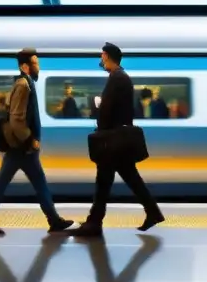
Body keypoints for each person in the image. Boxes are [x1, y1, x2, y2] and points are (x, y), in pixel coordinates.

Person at [68, 43, 164, 237]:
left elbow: (108, 109)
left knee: (106, 182)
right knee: (123, 179)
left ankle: (94, 223)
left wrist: (98, 110)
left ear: (106, 56)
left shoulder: (117, 78)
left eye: (102, 56)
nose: (101, 60)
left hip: (113, 140)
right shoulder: (121, 77)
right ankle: (151, 213)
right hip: (117, 139)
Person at [0, 48, 73, 235]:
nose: (39, 67)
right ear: (25, 66)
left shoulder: (26, 83)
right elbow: (17, 119)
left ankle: (53, 220)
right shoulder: (23, 85)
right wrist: (30, 139)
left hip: (22, 148)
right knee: (8, 183)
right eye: (35, 63)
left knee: (35, 182)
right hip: (22, 147)